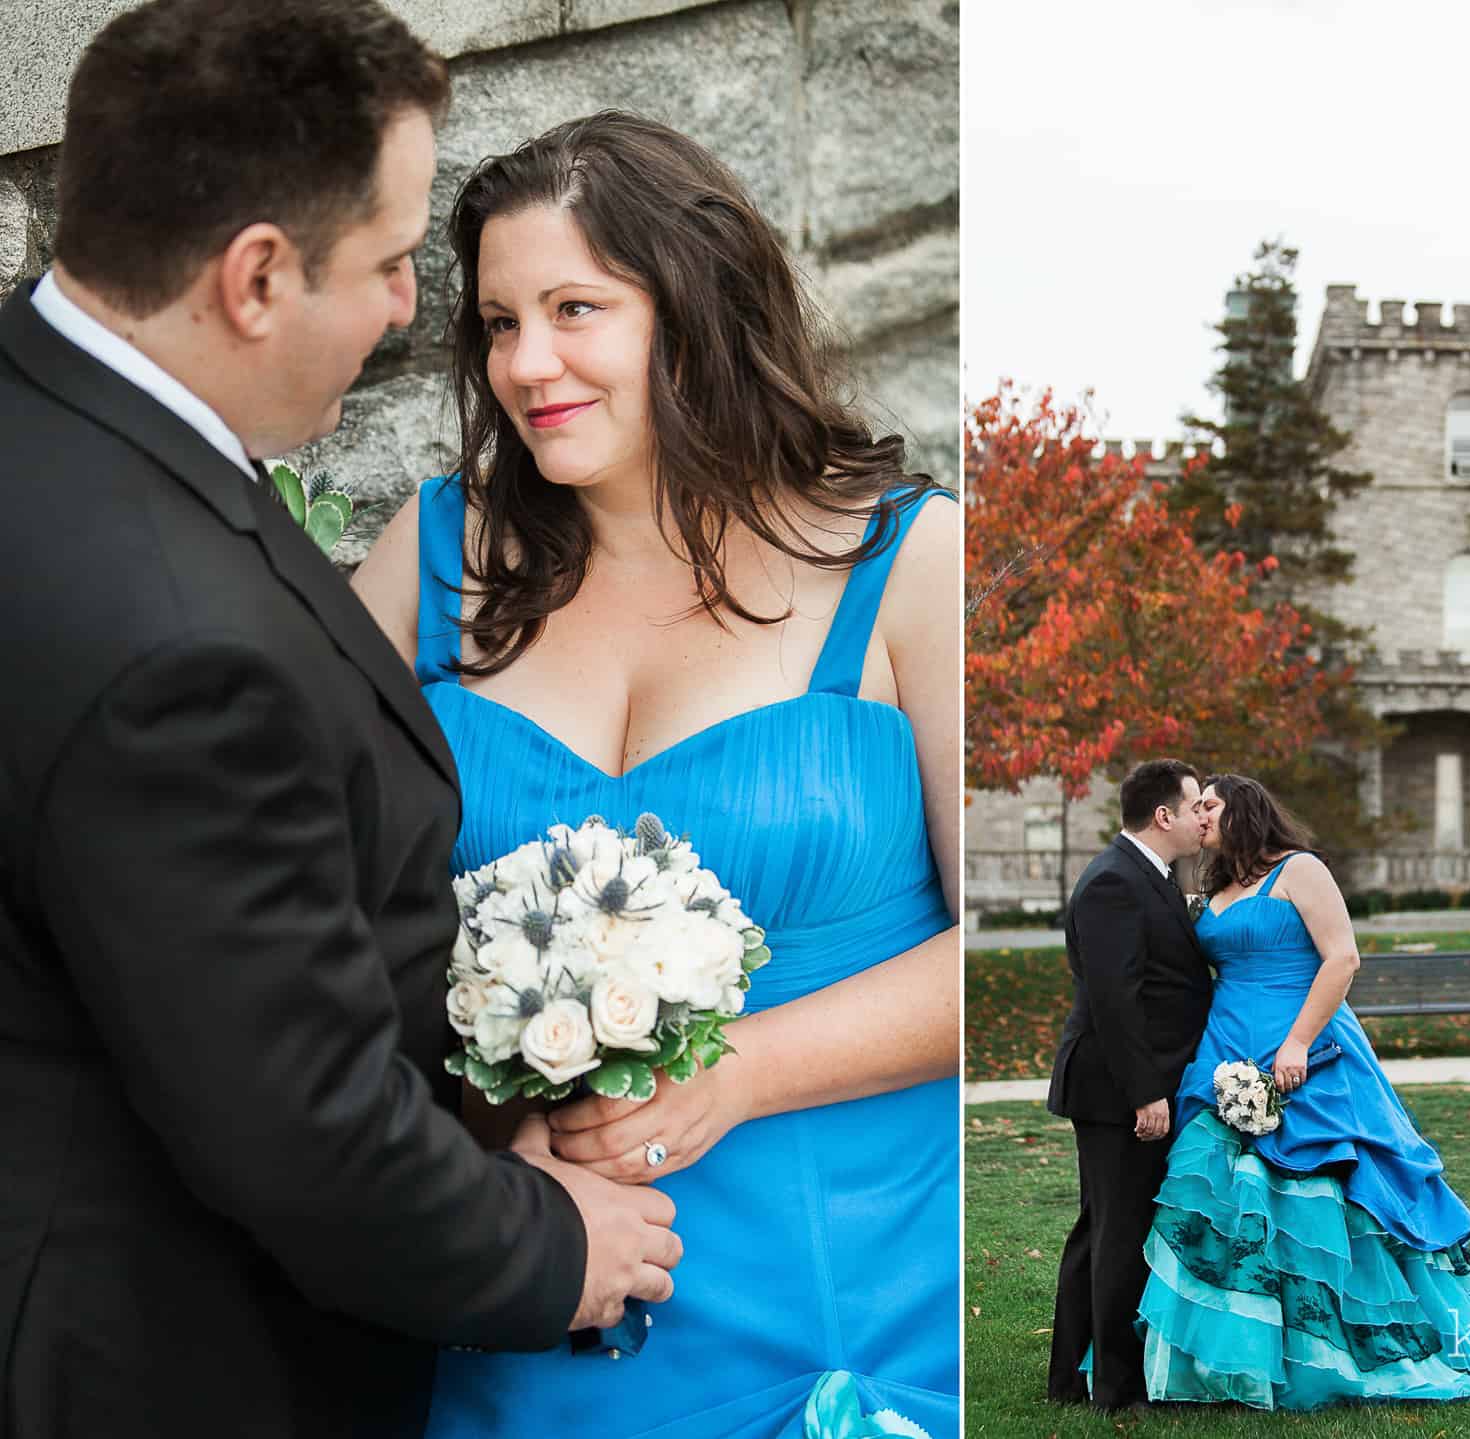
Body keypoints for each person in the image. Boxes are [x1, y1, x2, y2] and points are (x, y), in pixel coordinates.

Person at [0, 5, 680, 1436]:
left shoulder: (49, 413)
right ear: (255, 276)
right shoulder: (172, 643)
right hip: (162, 1357)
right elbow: (296, 1125)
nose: (401, 312)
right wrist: (558, 1244)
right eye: (387, 265)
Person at [350, 110, 961, 1437]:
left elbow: (1011, 947)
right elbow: (315, 910)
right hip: (531, 1283)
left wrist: (736, 1066)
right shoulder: (432, 553)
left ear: (693, 309)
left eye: (576, 307)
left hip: (845, 1302)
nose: (528, 362)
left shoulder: (909, 565)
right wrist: (475, 1102)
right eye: (501, 322)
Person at [1139, 772, 1470, 1410]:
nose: (1199, 813)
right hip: (1228, 1051)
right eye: (1194, 804)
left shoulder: (1301, 870)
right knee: (1219, 1191)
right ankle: (1229, 1361)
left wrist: (1295, 1044)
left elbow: (1342, 958)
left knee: (1329, 1193)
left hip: (1307, 1047)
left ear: (1245, 811)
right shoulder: (1215, 887)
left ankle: (1339, 1349)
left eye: (1210, 803)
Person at [1042, 758, 1212, 1411]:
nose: (1203, 817)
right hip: (1117, 1088)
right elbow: (1116, 1000)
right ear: (1163, 815)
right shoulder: (1115, 881)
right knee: (1117, 1232)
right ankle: (1114, 1386)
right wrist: (1145, 1092)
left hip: (1132, 1080)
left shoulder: (1152, 874)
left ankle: (1068, 1378)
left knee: (1102, 1227)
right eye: (1196, 804)